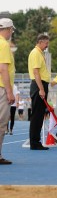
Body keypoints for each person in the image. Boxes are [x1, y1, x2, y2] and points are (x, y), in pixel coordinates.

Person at [28, 33, 51, 150]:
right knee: (37, 115)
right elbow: (36, 72)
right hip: (38, 85)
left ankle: (36, 141)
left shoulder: (39, 53)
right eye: (46, 43)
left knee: (40, 114)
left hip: (40, 85)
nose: (47, 46)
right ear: (41, 41)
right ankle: (35, 142)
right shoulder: (36, 53)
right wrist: (41, 89)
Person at [0, 18, 15, 164]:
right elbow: (3, 69)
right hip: (1, 88)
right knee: (1, 123)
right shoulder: (4, 44)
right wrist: (9, 91)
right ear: (9, 29)